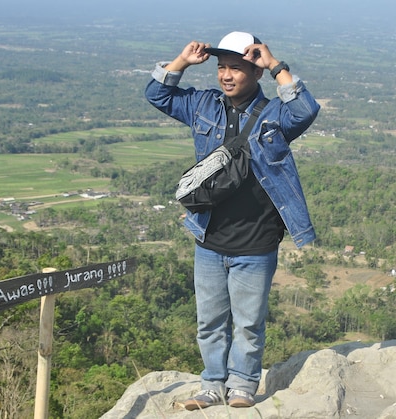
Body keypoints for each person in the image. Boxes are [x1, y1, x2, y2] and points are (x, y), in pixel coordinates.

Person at [145, 31, 320, 410]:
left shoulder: (275, 115)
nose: (226, 75)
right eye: (222, 67)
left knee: (248, 324)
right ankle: (211, 384)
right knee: (209, 323)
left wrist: (276, 65)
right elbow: (156, 94)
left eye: (237, 68)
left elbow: (305, 109)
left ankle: (242, 385)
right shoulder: (204, 105)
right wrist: (181, 61)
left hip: (256, 242)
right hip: (209, 237)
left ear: (255, 72)